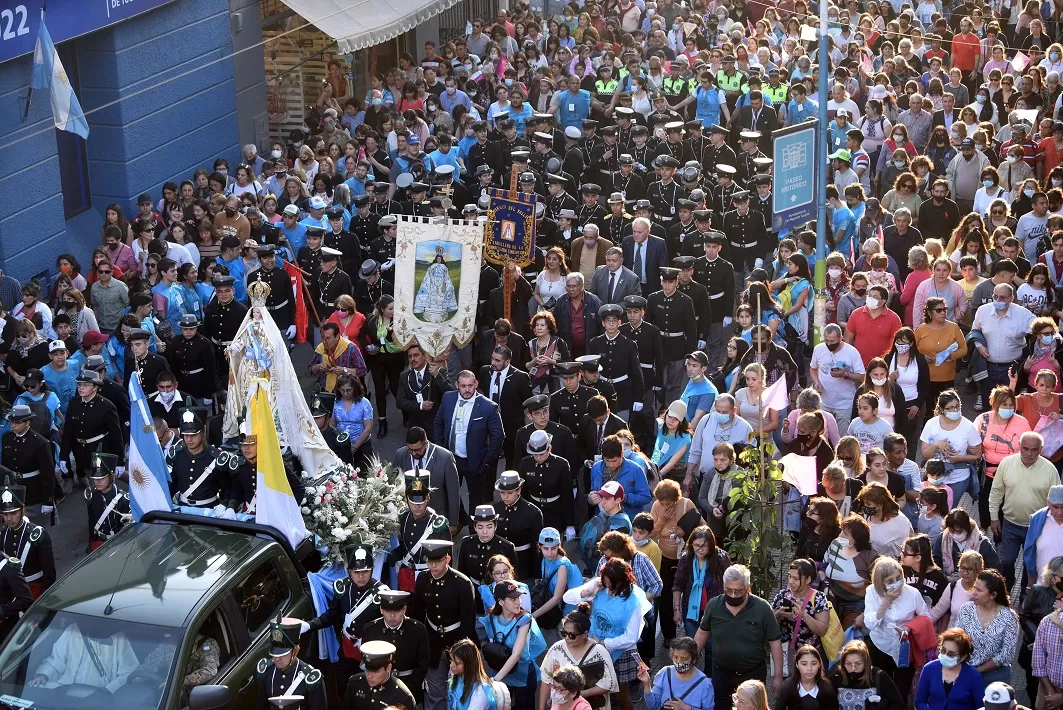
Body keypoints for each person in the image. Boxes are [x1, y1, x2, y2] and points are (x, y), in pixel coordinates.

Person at [562, 558, 652, 710]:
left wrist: (604, 644)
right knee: (592, 692)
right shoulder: (600, 586)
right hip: (592, 649)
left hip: (620, 654)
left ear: (622, 581)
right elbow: (567, 597)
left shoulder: (633, 601)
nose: (608, 587)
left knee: (620, 695)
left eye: (611, 584)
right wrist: (588, 591)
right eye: (605, 582)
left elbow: (631, 638)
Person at [693, 563, 783, 710]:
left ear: (748, 588)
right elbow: (702, 633)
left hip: (752, 675)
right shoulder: (714, 605)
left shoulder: (763, 608)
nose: (733, 595)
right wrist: (690, 660)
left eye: (738, 591)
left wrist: (778, 677)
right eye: (729, 590)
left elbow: (775, 642)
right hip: (721, 673)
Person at [410, 540, 477, 710]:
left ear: (447, 559)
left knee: (462, 689)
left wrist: (460, 652)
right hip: (433, 642)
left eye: (437, 561)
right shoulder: (423, 579)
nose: (433, 566)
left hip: (458, 640)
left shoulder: (462, 583)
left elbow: (468, 622)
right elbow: (416, 613)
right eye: (429, 561)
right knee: (435, 690)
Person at [990, 433, 1059, 591]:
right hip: (1010, 524)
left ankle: (1025, 594)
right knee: (1005, 561)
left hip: (1037, 527)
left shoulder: (1050, 470)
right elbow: (996, 492)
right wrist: (994, 517)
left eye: (1034, 450)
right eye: (1025, 448)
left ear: (1041, 450)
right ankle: (1005, 590)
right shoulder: (1006, 464)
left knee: (1032, 565)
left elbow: (1057, 499)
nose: (1029, 453)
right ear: (1018, 446)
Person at [435, 370, 504, 509]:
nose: (467, 390)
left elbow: (499, 436)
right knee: (449, 494)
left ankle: (474, 528)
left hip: (475, 463)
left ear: (476, 384)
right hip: (451, 458)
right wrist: (440, 450)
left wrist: (486, 462)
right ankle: (459, 521)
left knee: (476, 501)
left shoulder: (488, 407)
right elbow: (438, 422)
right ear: (457, 385)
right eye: (463, 386)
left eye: (470, 386)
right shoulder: (448, 398)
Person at [863, 556, 929, 695]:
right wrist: (886, 601)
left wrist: (909, 627)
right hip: (880, 645)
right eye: (890, 581)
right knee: (880, 688)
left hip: (904, 647)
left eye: (898, 578)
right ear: (880, 582)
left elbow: (925, 617)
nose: (896, 583)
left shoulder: (912, 593)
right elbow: (869, 623)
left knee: (902, 689)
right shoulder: (872, 592)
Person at [539, 604, 618, 710]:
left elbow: (608, 684)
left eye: (572, 635)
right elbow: (546, 680)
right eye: (564, 633)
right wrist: (541, 707)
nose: (567, 638)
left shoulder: (599, 652)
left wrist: (576, 694)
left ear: (585, 634)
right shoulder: (556, 649)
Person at [973, 387, 1031, 529]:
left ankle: (1002, 541)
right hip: (988, 474)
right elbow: (972, 444)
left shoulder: (1022, 422)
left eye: (1011, 405)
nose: (1008, 408)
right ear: (995, 404)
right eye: (1004, 405)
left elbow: (1029, 445)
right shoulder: (983, 419)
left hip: (1014, 473)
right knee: (985, 506)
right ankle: (984, 535)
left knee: (1007, 510)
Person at [955, 570, 1020, 684]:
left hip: (996, 678)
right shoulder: (966, 609)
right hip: (966, 673)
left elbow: (1007, 654)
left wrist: (979, 670)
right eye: (974, 587)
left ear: (993, 595)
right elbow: (958, 639)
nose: (973, 593)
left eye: (979, 590)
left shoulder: (1009, 616)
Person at [920, 390, 984, 506]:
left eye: (957, 407)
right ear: (942, 409)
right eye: (950, 408)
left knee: (949, 508)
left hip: (959, 477)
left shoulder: (967, 426)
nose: (955, 410)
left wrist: (960, 458)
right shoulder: (931, 424)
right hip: (935, 476)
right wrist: (936, 444)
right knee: (932, 507)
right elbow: (925, 455)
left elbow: (977, 454)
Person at [254, 616, 325, 710]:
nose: (277, 659)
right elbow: (261, 706)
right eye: (274, 654)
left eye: (283, 654)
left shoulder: (311, 678)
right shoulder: (266, 670)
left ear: (295, 651)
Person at [771, 559, 831, 667]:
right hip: (786, 655)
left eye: (795, 579)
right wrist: (777, 614)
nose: (790, 581)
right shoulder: (782, 596)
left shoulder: (818, 598)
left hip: (810, 657)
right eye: (789, 576)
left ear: (808, 579)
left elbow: (822, 630)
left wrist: (804, 615)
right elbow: (767, 624)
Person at [915, 628, 986, 710]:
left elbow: (980, 707)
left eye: (951, 654)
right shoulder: (929, 669)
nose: (945, 655)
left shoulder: (973, 675)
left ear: (962, 657)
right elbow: (920, 701)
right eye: (943, 650)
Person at [639, 636, 715, 710]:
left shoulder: (705, 685)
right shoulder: (664, 673)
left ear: (694, 659)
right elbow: (654, 707)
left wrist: (687, 708)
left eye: (684, 658)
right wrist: (647, 684)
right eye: (675, 657)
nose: (679, 662)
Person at [342, 639, 418, 710]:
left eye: (375, 671)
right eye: (367, 670)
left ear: (388, 667)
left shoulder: (402, 696)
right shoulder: (355, 683)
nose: (369, 676)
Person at [774, 644, 839, 710]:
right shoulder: (788, 686)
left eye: (814, 664)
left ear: (819, 664)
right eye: (804, 664)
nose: (809, 668)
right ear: (797, 664)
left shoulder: (827, 687)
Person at [857, 483, 913, 558]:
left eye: (868, 504)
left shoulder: (901, 522)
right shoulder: (865, 516)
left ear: (880, 504)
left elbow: (907, 547)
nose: (865, 507)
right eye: (864, 503)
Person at [447, 638, 500, 710]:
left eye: (457, 663)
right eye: (451, 660)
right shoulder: (456, 679)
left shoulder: (480, 691)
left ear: (469, 664)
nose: (451, 665)